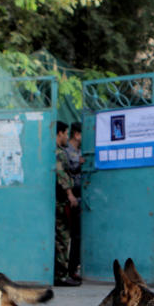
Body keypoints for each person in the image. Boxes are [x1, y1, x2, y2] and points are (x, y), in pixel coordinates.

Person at [54, 121, 80, 287]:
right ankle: (61, 276)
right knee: (63, 239)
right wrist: (70, 194)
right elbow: (61, 174)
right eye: (64, 134)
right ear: (60, 133)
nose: (66, 137)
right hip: (60, 202)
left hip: (55, 201)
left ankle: (61, 273)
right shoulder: (58, 153)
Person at [63, 122, 83, 281]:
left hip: (80, 196)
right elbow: (66, 170)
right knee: (69, 236)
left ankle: (73, 268)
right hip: (70, 196)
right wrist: (79, 163)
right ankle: (67, 271)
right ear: (77, 134)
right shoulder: (65, 151)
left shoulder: (80, 151)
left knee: (77, 236)